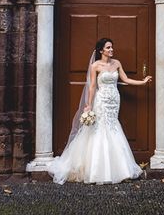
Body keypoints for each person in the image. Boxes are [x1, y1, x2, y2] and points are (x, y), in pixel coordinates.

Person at [47, 37, 152, 184]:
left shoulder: (117, 63)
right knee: (100, 128)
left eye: (112, 47)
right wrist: (88, 104)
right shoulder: (95, 66)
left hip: (114, 99)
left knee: (113, 126)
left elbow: (126, 79)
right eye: (108, 48)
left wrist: (142, 82)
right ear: (101, 50)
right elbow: (91, 86)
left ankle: (120, 169)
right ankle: (97, 170)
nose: (111, 50)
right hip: (101, 100)